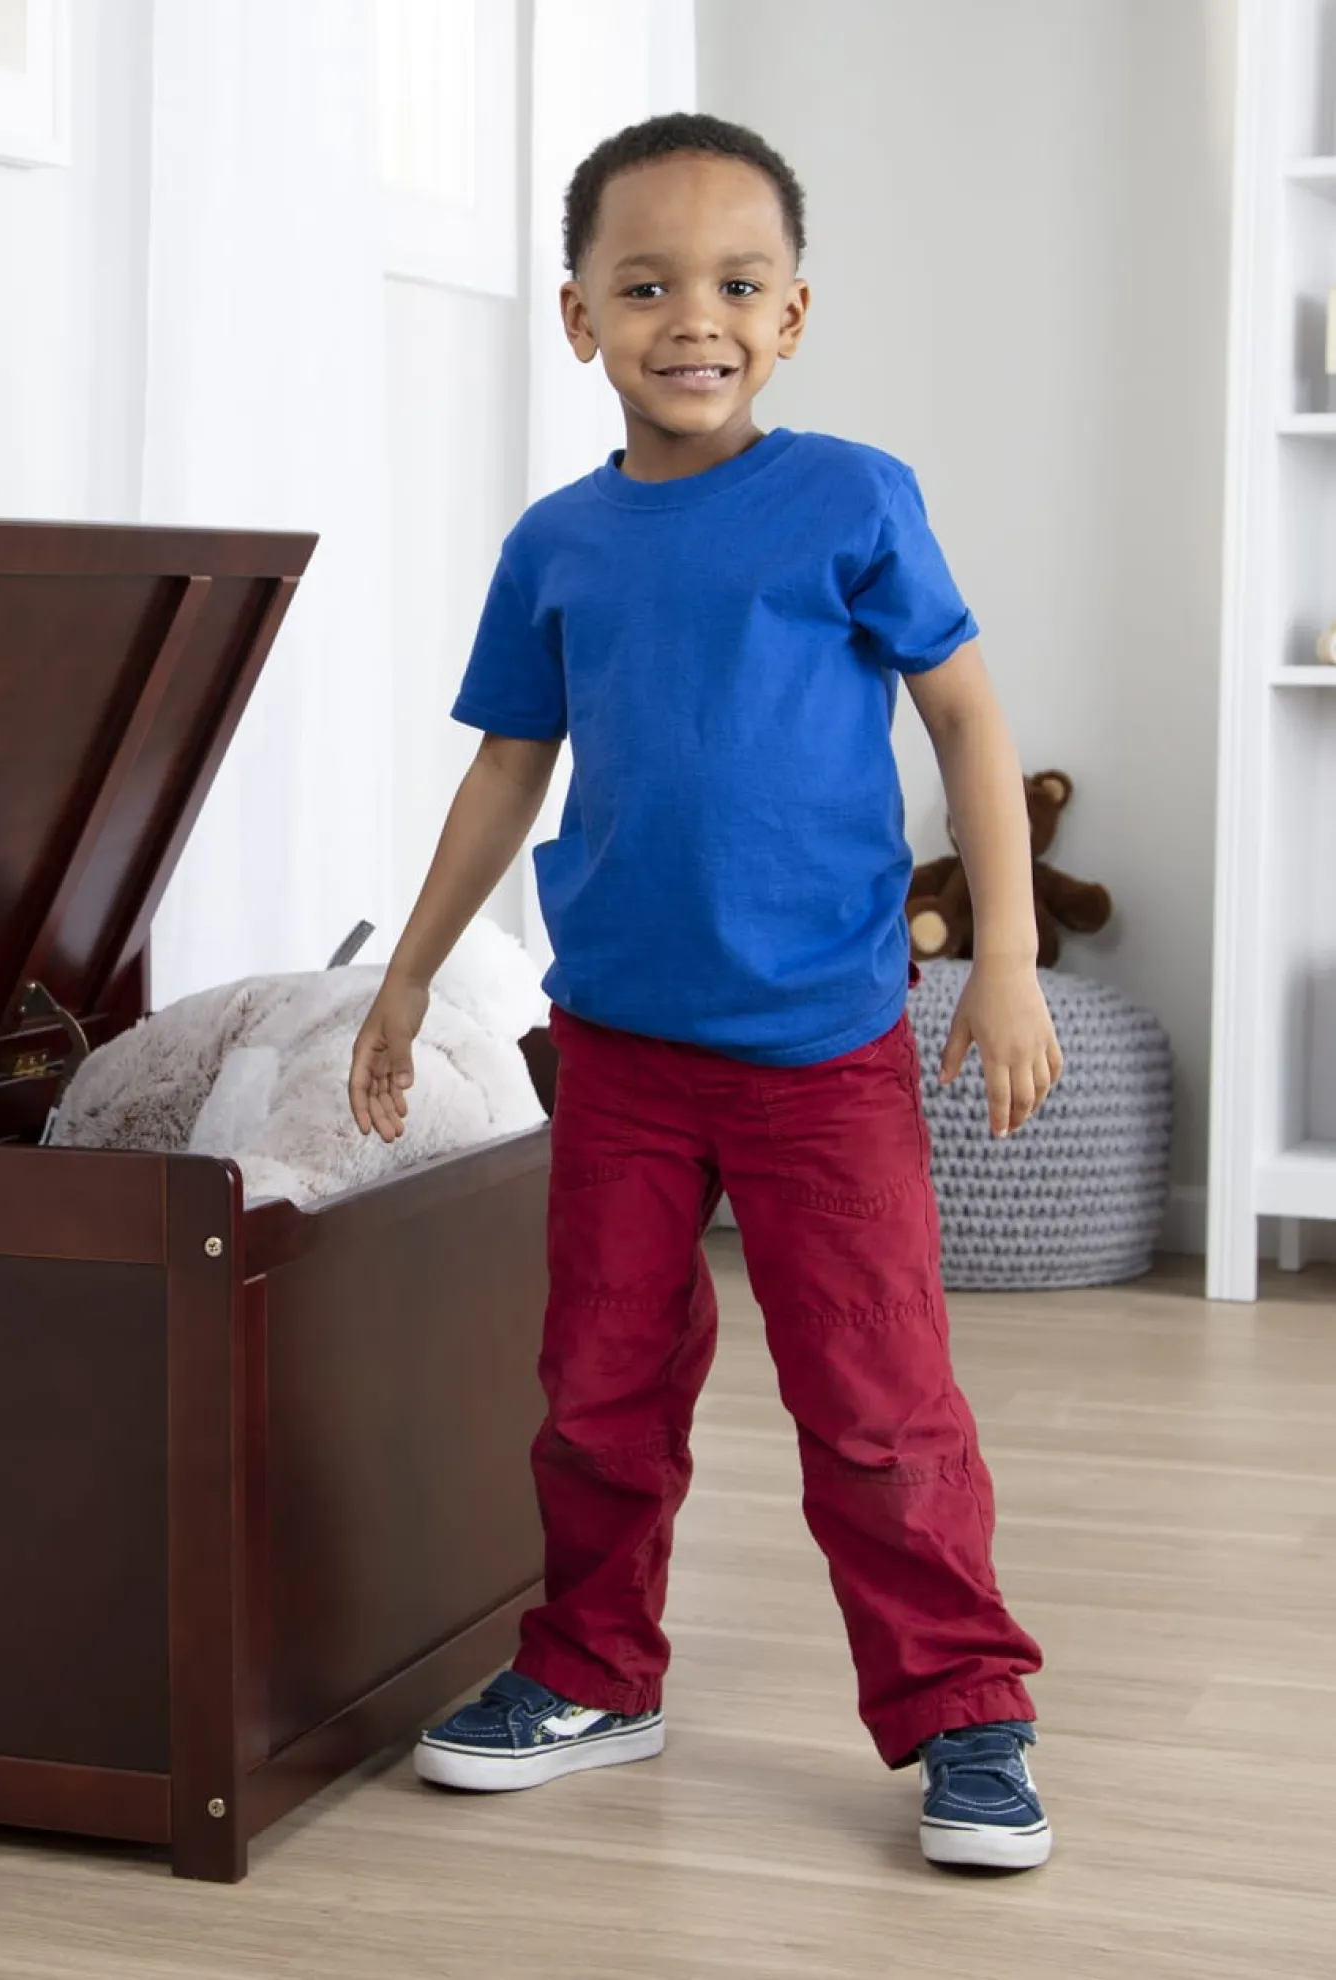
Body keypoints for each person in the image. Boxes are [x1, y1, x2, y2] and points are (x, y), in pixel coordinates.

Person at [347, 112, 1054, 1872]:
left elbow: (966, 718)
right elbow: (508, 773)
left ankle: (967, 1711)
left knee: (879, 1406)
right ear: (578, 317)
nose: (694, 318)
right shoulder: (558, 544)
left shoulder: (852, 499)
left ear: (794, 314)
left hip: (825, 1056)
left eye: (736, 284)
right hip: (623, 1053)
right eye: (644, 283)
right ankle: (592, 1672)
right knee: (596, 1388)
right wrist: (409, 972)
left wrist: (1013, 957)